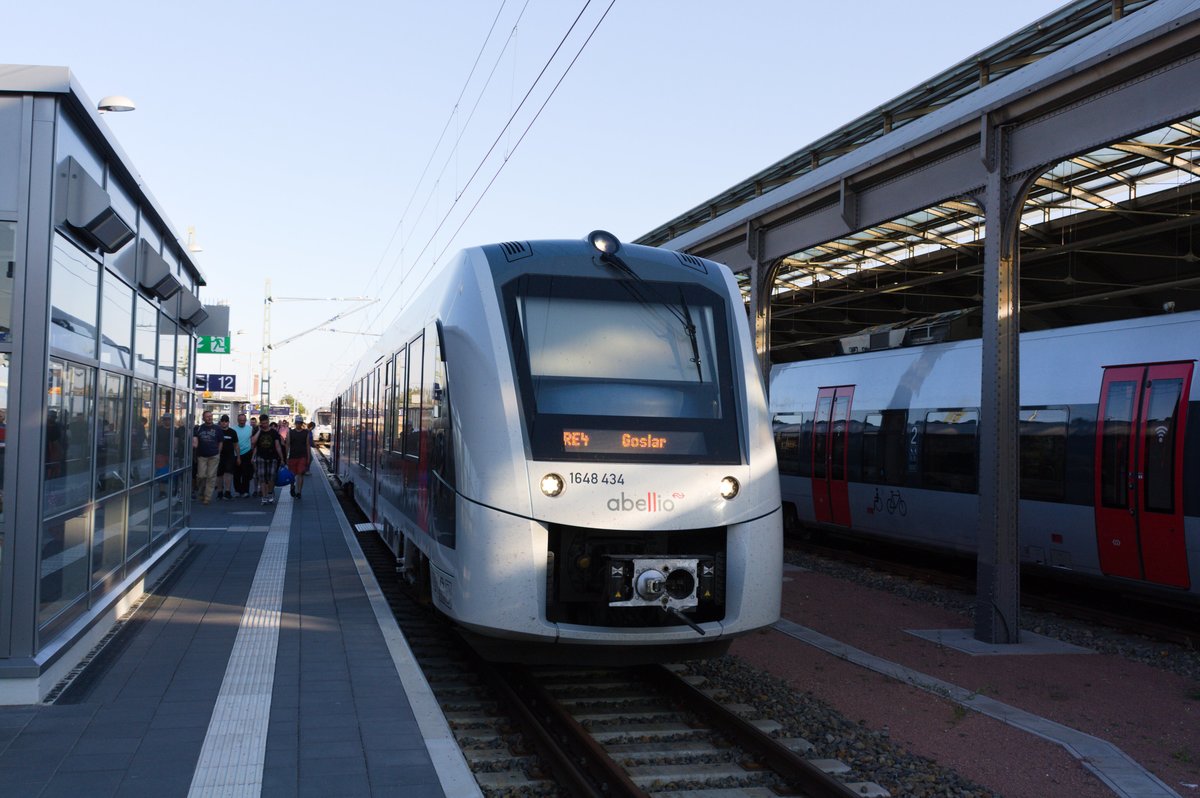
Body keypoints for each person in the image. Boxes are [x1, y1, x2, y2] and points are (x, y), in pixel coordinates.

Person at [252, 413, 284, 505]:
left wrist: (282, 458)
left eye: (266, 423)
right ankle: (264, 496)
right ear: (260, 423)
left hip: (272, 457)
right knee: (262, 478)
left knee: (271, 477)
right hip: (261, 457)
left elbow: (278, 446)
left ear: (268, 422)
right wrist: (259, 430)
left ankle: (270, 493)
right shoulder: (258, 431)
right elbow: (253, 442)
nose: (265, 425)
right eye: (263, 423)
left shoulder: (274, 432)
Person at [192, 410, 221, 505]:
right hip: (202, 456)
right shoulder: (199, 428)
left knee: (211, 477)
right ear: (203, 418)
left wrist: (218, 453)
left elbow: (221, 442)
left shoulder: (217, 428)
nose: (210, 418)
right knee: (201, 476)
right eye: (207, 416)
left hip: (214, 455)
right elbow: (195, 441)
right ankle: (201, 492)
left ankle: (207, 498)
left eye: (211, 416)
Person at [286, 415, 313, 499]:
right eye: (297, 423)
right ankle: (292, 487)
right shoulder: (290, 432)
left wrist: (308, 457)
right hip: (292, 456)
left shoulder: (306, 433)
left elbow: (308, 445)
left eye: (299, 423)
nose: (298, 424)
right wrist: (286, 457)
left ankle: (299, 492)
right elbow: (287, 445)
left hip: (302, 456)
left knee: (300, 474)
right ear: (295, 423)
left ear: (301, 423)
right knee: (292, 475)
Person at [216, 414, 239, 500]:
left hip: (230, 456)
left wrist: (238, 457)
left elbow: (236, 445)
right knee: (219, 474)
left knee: (228, 473)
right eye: (223, 421)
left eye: (226, 421)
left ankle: (228, 491)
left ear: (228, 422)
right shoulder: (217, 431)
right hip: (219, 456)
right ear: (220, 422)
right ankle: (219, 492)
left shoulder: (232, 432)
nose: (224, 423)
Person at [232, 413, 253, 497]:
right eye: (240, 420)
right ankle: (238, 490)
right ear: (237, 420)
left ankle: (245, 491)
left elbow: (252, 440)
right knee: (236, 473)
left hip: (247, 452)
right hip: (235, 453)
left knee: (246, 473)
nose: (242, 422)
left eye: (244, 420)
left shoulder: (250, 429)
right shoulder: (233, 429)